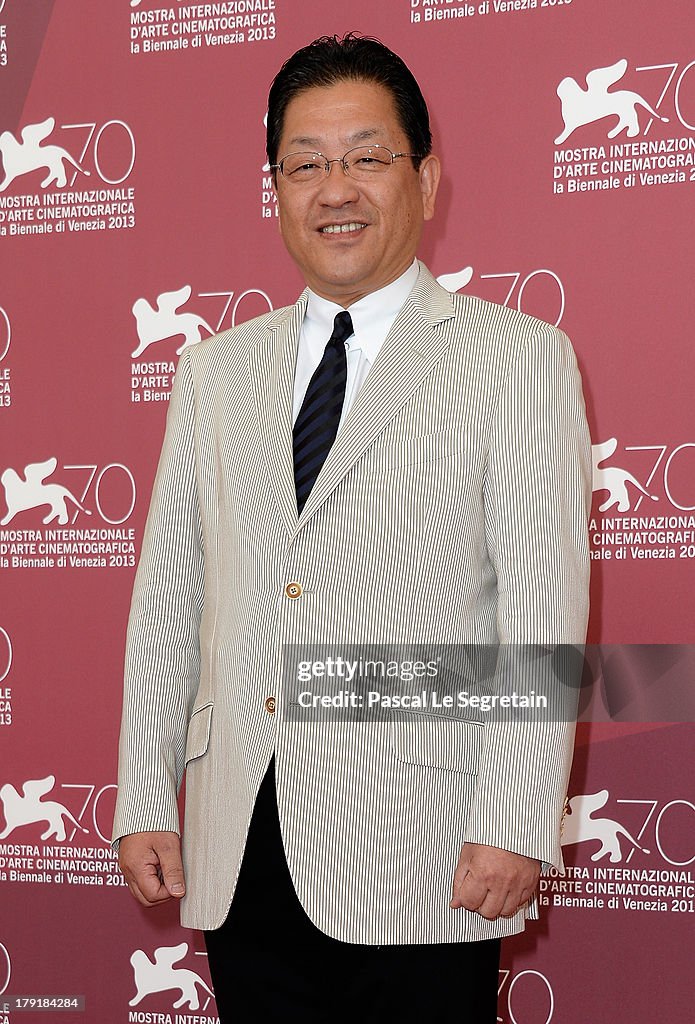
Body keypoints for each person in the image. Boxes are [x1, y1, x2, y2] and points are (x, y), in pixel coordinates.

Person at [113, 33, 591, 1023]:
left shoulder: (515, 360)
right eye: (304, 164)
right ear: (275, 188)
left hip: (421, 845)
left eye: (366, 157)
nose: (335, 188)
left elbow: (537, 613)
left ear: (423, 175)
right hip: (242, 838)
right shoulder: (212, 371)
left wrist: (513, 822)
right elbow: (170, 596)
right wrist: (146, 794)